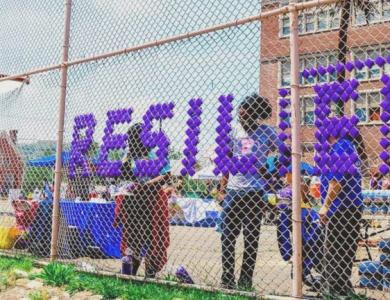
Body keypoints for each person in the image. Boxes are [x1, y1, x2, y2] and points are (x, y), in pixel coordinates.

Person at [217, 94, 281, 289]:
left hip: (254, 193)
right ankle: (227, 279)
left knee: (251, 238)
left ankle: (245, 282)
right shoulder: (233, 131)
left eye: (246, 113)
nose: (241, 115)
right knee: (227, 236)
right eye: (240, 112)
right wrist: (222, 188)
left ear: (255, 114)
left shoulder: (268, 132)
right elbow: (226, 161)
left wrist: (268, 173)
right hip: (234, 191)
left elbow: (285, 154)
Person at [114, 123, 171, 278]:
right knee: (132, 238)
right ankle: (129, 271)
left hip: (152, 202)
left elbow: (166, 175)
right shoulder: (129, 154)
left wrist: (145, 186)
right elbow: (122, 175)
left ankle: (150, 275)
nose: (131, 142)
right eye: (130, 139)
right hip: (133, 202)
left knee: (152, 238)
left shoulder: (154, 153)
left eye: (134, 138)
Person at [318, 134, 363, 297]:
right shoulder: (339, 147)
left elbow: (337, 182)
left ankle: (333, 290)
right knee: (343, 250)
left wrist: (325, 206)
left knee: (335, 251)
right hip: (347, 207)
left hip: (342, 208)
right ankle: (341, 287)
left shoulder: (341, 146)